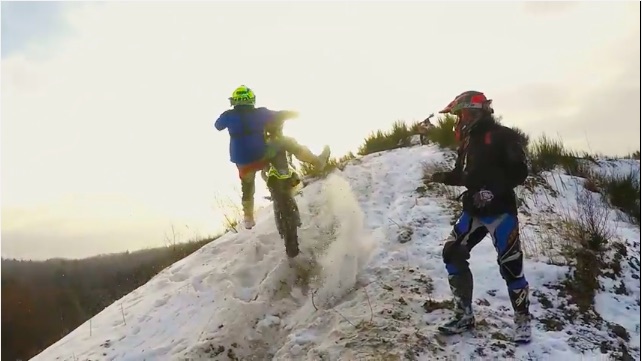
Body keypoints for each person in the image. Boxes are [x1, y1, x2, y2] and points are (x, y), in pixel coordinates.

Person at [427, 90, 531, 343]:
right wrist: (443, 177)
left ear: (474, 112)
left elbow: (520, 172)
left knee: (511, 267)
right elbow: (465, 175)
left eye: (460, 114)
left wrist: (492, 190)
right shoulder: (468, 141)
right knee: (452, 253)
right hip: (474, 210)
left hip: (501, 211)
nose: (458, 120)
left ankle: (523, 322)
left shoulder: (503, 136)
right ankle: (464, 315)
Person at [214, 85, 331, 230]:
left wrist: (227, 117)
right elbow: (280, 115)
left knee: (247, 187)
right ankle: (316, 162)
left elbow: (217, 126)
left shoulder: (228, 115)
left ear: (234, 101)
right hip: (261, 154)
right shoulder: (260, 113)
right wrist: (295, 113)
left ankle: (248, 218)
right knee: (287, 142)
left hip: (242, 161)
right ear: (251, 100)